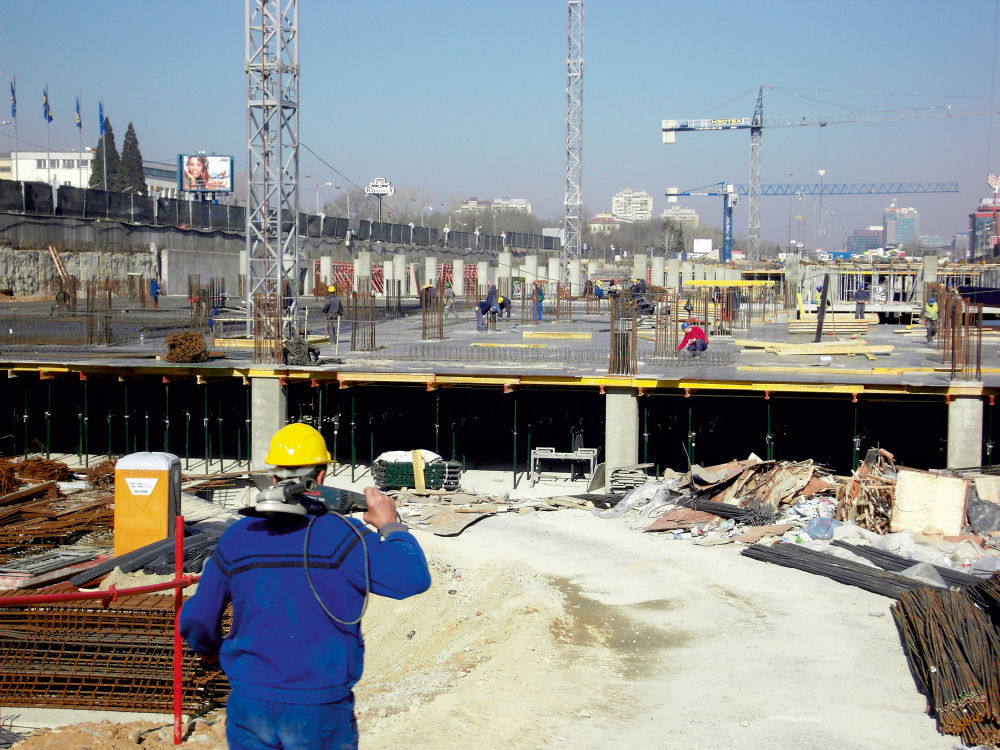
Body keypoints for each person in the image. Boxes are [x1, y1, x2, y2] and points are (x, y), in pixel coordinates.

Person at [180, 423, 431, 750]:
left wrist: (208, 649)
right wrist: (391, 526)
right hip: (318, 709)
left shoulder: (237, 538)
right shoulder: (346, 536)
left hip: (249, 702)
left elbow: (197, 618)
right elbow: (411, 578)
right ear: (322, 476)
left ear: (272, 479)